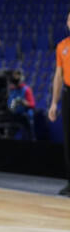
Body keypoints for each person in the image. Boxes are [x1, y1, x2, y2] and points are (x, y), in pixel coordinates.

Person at [48, 11, 70, 196]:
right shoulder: (62, 46)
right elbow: (58, 75)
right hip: (68, 94)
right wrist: (54, 103)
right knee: (68, 139)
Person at [6, 69, 36, 140]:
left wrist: (22, 102)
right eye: (14, 75)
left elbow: (32, 104)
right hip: (15, 116)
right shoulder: (12, 90)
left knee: (28, 135)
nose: (15, 77)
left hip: (25, 115)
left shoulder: (26, 89)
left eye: (17, 75)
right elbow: (10, 105)